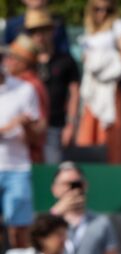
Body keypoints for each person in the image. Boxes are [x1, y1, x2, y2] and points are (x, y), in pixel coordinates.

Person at [77, 0, 121, 164]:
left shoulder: (119, 25)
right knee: (90, 135)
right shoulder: (89, 30)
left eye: (107, 10)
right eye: (97, 9)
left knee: (113, 135)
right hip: (94, 90)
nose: (102, 13)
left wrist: (104, 59)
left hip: (112, 89)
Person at [0, 48, 43, 249]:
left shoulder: (25, 90)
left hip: (17, 168)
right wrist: (12, 125)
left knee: (19, 232)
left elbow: (35, 138)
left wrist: (25, 125)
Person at [26, 9, 80, 164]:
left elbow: (74, 94)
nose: (39, 36)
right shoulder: (25, 63)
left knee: (52, 171)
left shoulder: (66, 60)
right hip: (29, 129)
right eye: (34, 31)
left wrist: (71, 124)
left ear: (52, 31)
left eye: (43, 30)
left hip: (55, 126)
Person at [3, 33, 49, 163]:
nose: (7, 62)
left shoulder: (32, 85)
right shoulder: (12, 82)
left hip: (26, 159)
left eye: (12, 58)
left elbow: (40, 125)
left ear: (23, 62)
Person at [4, 0, 70, 55]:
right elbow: (6, 52)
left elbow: (64, 50)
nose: (39, 35)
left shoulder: (58, 22)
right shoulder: (13, 24)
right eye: (33, 31)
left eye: (45, 29)